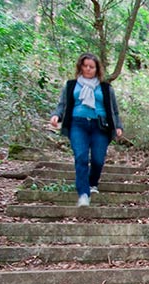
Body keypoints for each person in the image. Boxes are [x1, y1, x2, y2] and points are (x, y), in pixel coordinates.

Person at [50, 53, 124, 207]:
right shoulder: (71, 85)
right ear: (80, 67)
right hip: (78, 124)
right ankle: (83, 193)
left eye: (92, 67)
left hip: (100, 125)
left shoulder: (105, 88)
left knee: (97, 159)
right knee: (81, 157)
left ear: (97, 69)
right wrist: (56, 115)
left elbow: (114, 110)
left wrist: (118, 126)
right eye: (85, 66)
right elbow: (62, 104)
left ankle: (93, 183)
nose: (88, 69)